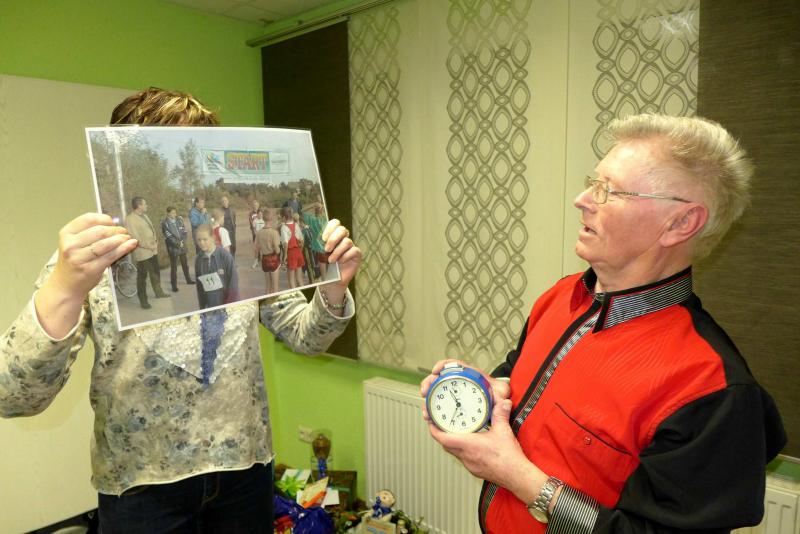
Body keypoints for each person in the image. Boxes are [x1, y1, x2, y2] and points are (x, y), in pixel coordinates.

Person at [0, 87, 362, 534]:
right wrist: (63, 288)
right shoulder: (87, 259)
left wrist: (333, 286)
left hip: (244, 469)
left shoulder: (231, 253)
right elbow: (13, 396)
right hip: (142, 485)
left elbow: (306, 337)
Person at [420, 114, 786, 533]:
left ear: (680, 223)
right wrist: (486, 392)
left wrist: (519, 478)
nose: (581, 199)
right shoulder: (561, 297)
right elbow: (517, 373)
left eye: (608, 191)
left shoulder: (711, 388)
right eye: (593, 182)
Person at [126, 196, 170, 309]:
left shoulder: (144, 216)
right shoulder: (130, 219)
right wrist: (149, 246)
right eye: (145, 204)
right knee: (142, 276)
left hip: (152, 250)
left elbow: (151, 231)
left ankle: (158, 292)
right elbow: (135, 238)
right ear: (139, 205)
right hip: (143, 253)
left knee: (155, 273)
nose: (147, 206)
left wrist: (155, 243)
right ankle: (143, 301)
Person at [194, 224, 238, 309]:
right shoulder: (198, 260)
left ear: (212, 238)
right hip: (209, 307)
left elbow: (233, 285)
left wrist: (231, 308)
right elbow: (200, 288)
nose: (201, 243)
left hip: (226, 305)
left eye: (205, 239)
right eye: (199, 240)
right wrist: (202, 309)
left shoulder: (225, 256)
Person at [161, 206, 195, 292]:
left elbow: (184, 231)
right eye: (172, 213)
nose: (174, 214)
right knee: (174, 267)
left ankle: (188, 280)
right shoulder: (165, 223)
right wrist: (178, 243)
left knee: (185, 264)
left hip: (182, 245)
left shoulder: (179, 220)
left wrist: (182, 241)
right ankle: (174, 285)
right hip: (173, 248)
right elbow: (168, 237)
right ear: (168, 213)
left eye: (175, 213)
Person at [255, 209, 281, 294]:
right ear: (272, 218)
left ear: (263, 218)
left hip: (264, 258)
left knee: (268, 286)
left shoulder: (259, 233)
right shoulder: (274, 232)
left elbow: (256, 248)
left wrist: (256, 259)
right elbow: (277, 250)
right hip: (273, 258)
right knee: (275, 287)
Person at [280, 206, 305, 289]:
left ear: (284, 217)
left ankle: (294, 293)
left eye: (281, 217)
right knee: (299, 278)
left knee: (291, 280)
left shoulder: (284, 227)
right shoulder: (296, 225)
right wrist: (300, 251)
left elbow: (285, 244)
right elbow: (302, 240)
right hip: (298, 252)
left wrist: (285, 256)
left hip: (290, 253)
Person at [304, 205, 329, 280]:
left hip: (319, 249)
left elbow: (302, 211)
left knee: (323, 275)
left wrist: (312, 206)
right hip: (329, 247)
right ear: (322, 211)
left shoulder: (312, 220)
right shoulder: (326, 219)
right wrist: (323, 206)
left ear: (315, 211)